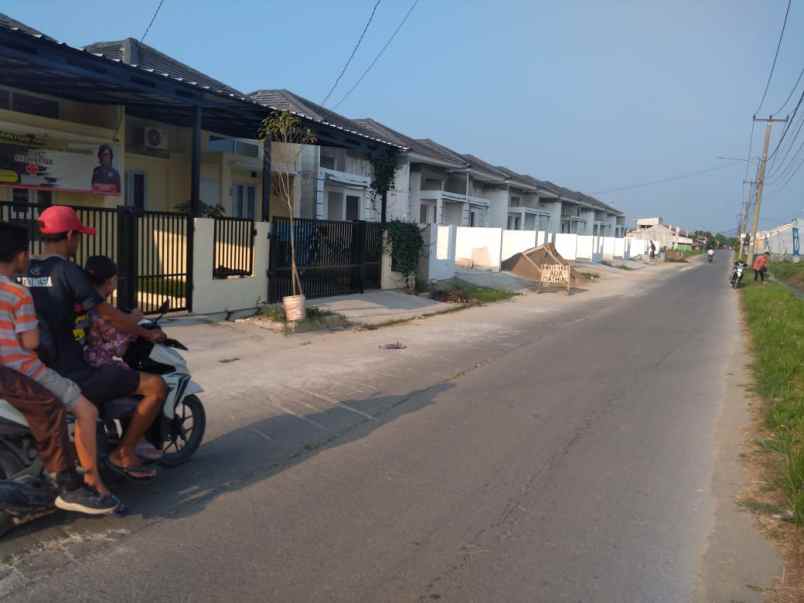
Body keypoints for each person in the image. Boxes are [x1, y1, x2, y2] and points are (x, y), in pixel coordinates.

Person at [24, 206, 166, 480]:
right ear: (69, 235)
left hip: (37, 368)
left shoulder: (27, 268)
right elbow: (108, 315)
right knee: (156, 386)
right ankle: (123, 452)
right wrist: (147, 333)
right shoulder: (67, 270)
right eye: (78, 236)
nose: (78, 242)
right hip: (74, 372)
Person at [0, 222, 118, 514]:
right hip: (20, 368)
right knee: (85, 409)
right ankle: (82, 483)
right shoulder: (17, 292)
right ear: (21, 256)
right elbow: (30, 342)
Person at [84, 255, 161, 462]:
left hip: (82, 361)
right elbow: (117, 346)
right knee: (153, 387)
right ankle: (131, 445)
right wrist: (136, 329)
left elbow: (116, 320)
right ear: (109, 281)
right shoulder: (98, 309)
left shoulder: (85, 302)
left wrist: (130, 321)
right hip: (101, 365)